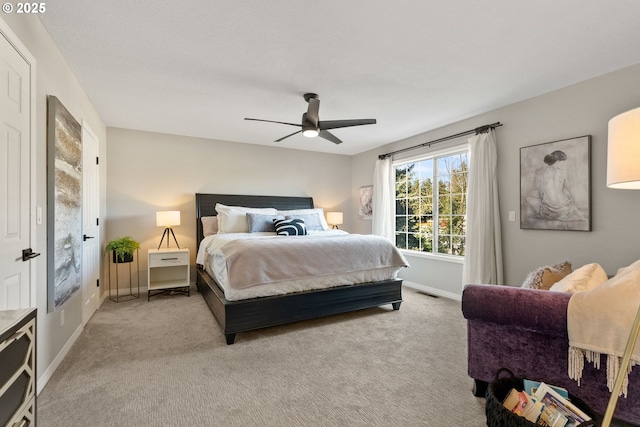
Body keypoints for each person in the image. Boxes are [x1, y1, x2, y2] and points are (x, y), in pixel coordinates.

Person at [527, 150, 584, 221]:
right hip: (564, 208)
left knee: (529, 198)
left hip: (547, 209)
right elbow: (568, 189)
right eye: (562, 163)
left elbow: (541, 193)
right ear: (557, 162)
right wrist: (572, 199)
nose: (563, 165)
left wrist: (546, 200)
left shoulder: (541, 173)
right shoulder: (562, 172)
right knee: (567, 196)